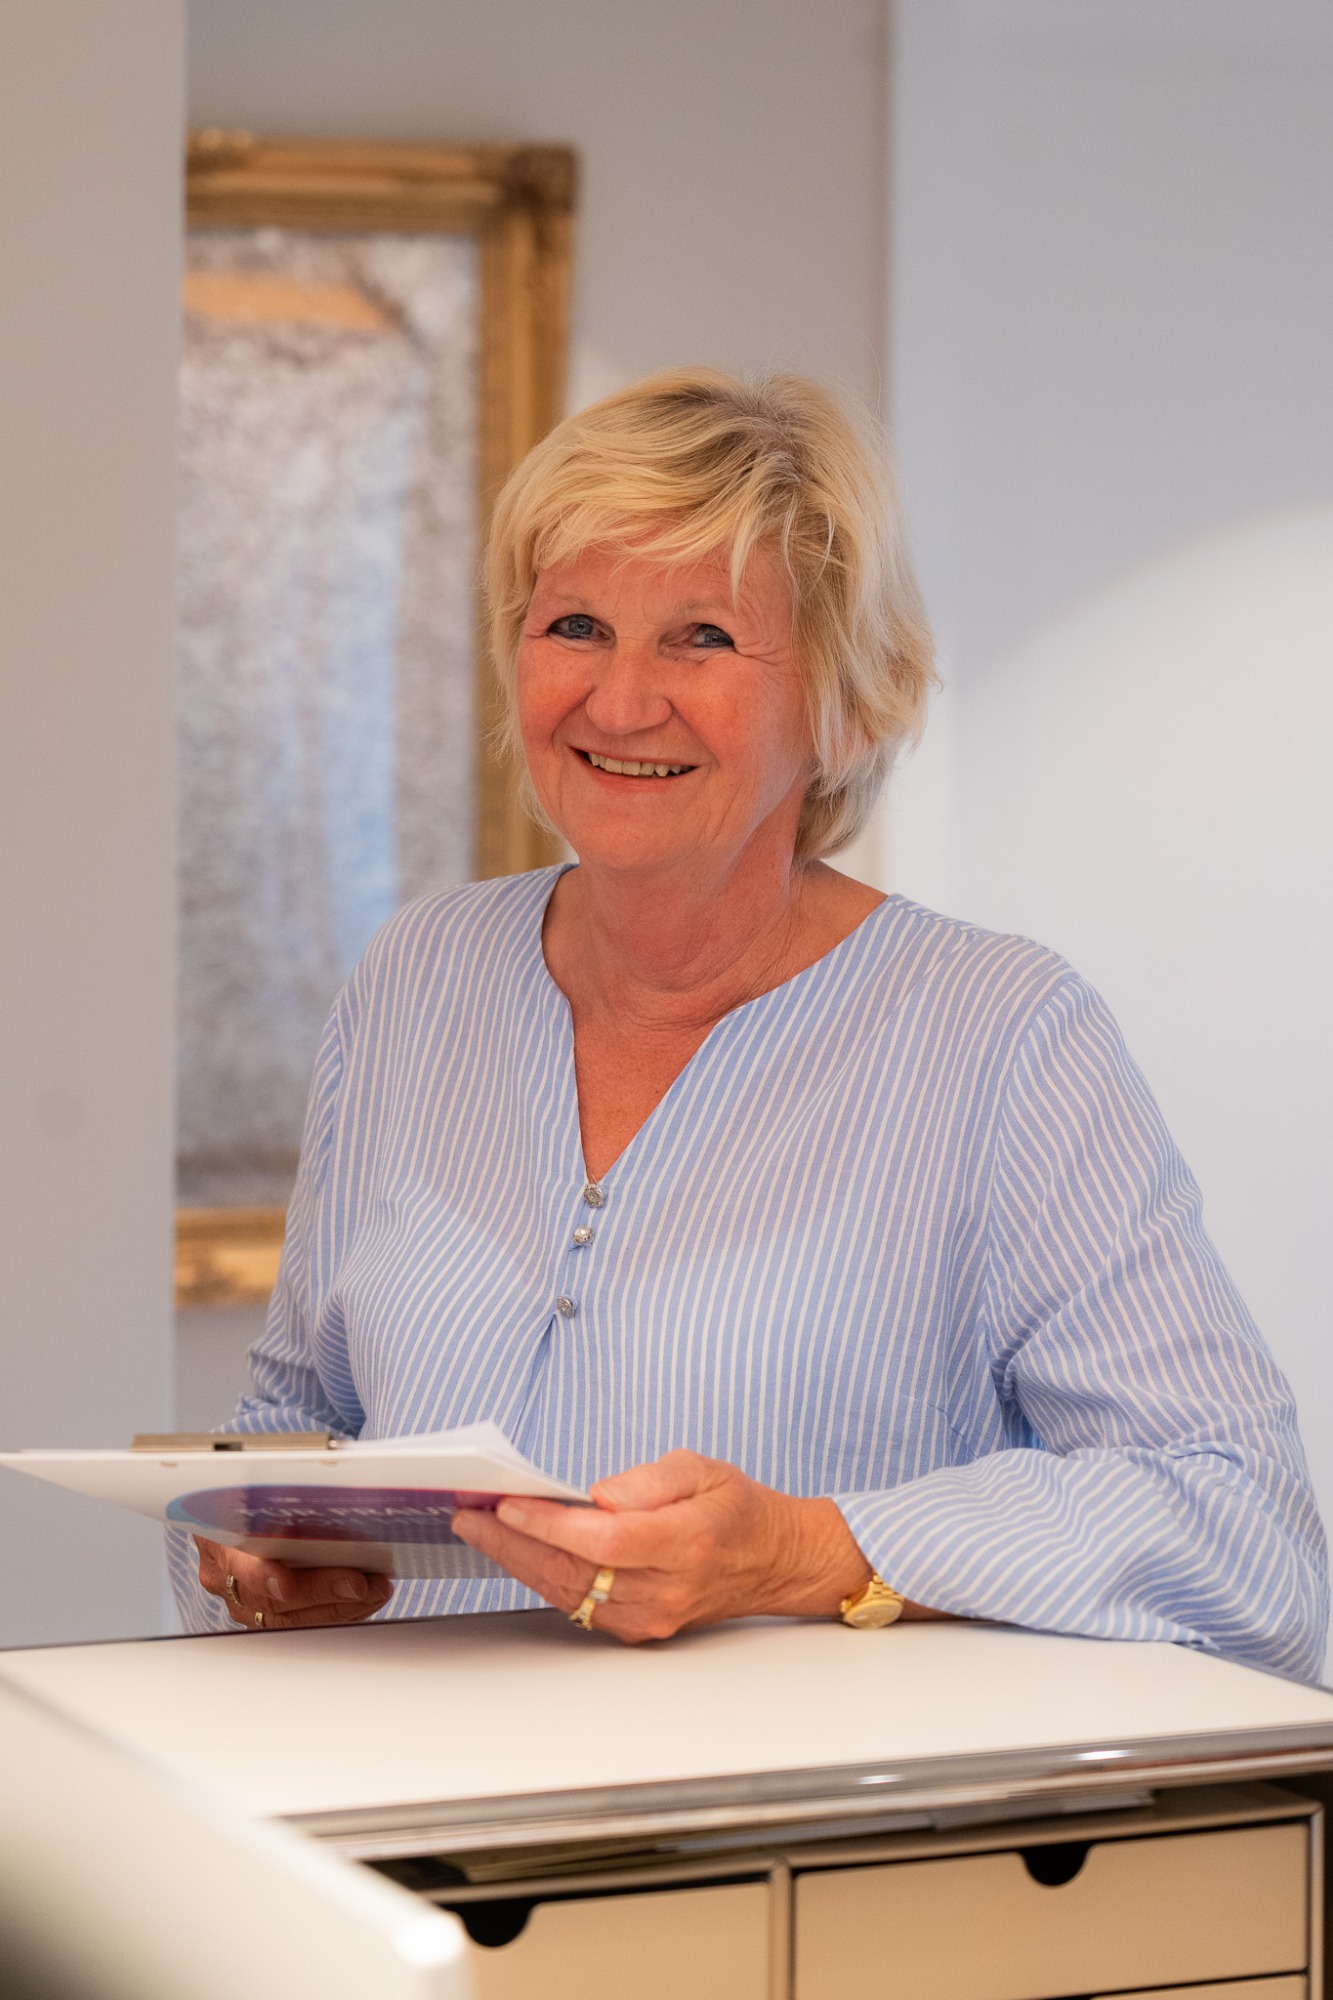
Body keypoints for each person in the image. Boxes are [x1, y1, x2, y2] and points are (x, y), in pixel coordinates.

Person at [177, 368, 1327, 1679]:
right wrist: (259, 1556)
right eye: (575, 626)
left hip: (786, 1810)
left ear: (846, 701)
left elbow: (1245, 1533)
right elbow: (294, 1417)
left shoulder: (1001, 1038)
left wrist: (803, 1552)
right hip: (395, 1792)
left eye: (702, 639)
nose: (619, 702)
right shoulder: (415, 978)